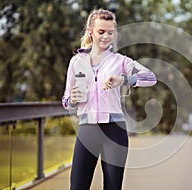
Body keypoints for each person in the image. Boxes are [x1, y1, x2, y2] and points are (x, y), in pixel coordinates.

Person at [62, 9, 156, 190]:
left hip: (115, 131)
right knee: (77, 186)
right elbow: (66, 100)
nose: (106, 37)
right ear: (90, 31)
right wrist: (72, 100)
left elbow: (151, 77)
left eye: (110, 33)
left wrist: (123, 79)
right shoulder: (76, 62)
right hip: (87, 130)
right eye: (101, 32)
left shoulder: (120, 61)